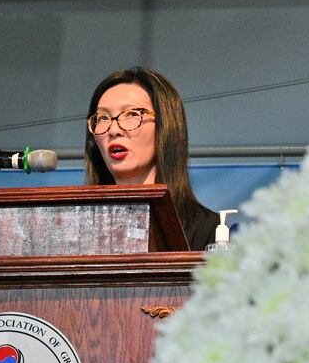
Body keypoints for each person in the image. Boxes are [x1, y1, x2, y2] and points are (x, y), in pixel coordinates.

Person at [84, 67, 219, 251]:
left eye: (132, 114)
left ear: (166, 127)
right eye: (103, 118)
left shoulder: (209, 231)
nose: (114, 130)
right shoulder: (80, 227)